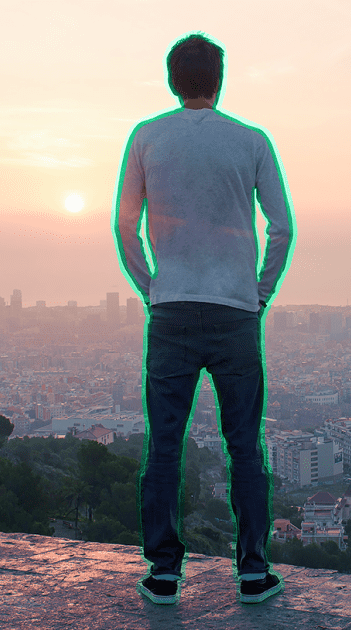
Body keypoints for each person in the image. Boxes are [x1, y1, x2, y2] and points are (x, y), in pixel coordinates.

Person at [113, 32, 294, 606]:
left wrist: (152, 287)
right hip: (236, 313)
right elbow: (283, 228)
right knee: (245, 446)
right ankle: (252, 571)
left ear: (173, 80)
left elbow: (125, 226)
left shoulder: (146, 138)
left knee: (164, 444)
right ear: (219, 79)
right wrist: (259, 293)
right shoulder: (252, 141)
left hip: (171, 310)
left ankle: (164, 572)